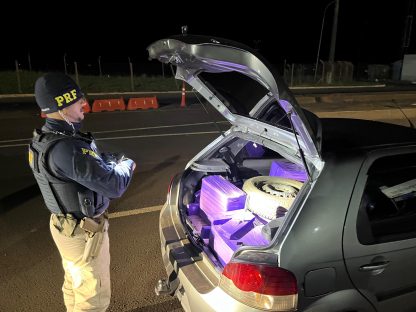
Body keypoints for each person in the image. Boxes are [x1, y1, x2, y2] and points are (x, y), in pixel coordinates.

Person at [28, 73, 136, 311]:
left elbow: (87, 166)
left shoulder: (47, 139)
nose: (84, 105)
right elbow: (114, 185)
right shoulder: (67, 148)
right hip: (82, 232)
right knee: (93, 299)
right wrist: (127, 164)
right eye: (78, 102)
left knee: (73, 282)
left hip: (65, 226)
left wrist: (104, 161)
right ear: (63, 106)